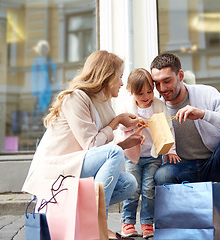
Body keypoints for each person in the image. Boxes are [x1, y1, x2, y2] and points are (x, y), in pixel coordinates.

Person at [22, 50, 145, 240]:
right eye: (120, 77)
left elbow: (99, 152)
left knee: (129, 183)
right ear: (107, 76)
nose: (122, 83)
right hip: (56, 170)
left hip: (76, 166)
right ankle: (97, 225)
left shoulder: (104, 103)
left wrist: (124, 142)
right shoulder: (75, 98)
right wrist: (118, 121)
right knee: (113, 152)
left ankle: (85, 218)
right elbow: (92, 145)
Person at [150, 53, 220, 185]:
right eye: (157, 83)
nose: (162, 89)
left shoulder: (207, 93)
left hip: (213, 162)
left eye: (167, 81)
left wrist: (204, 114)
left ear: (180, 76)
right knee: (163, 175)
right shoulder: (157, 108)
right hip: (182, 168)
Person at [117, 68, 180, 239]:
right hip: (132, 155)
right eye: (140, 93)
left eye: (149, 91)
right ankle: (128, 222)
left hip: (152, 156)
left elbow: (169, 128)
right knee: (133, 189)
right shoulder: (127, 105)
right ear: (131, 92)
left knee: (149, 189)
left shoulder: (159, 105)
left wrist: (171, 150)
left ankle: (147, 222)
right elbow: (121, 126)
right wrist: (136, 123)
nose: (146, 96)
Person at [31, 40, 60, 119]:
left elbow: (55, 75)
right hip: (41, 89)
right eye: (42, 48)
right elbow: (34, 77)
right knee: (42, 109)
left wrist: (57, 88)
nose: (44, 49)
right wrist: (35, 92)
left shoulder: (50, 61)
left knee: (51, 109)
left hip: (51, 88)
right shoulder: (37, 61)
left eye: (45, 48)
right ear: (40, 50)